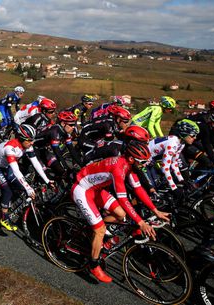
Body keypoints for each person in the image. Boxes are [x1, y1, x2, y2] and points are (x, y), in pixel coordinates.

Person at [72, 141, 170, 283]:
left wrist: (156, 211)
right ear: (131, 159)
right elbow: (124, 200)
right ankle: (93, 264)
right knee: (100, 230)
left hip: (96, 190)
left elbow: (138, 189)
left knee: (121, 215)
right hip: (82, 190)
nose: (144, 165)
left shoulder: (129, 165)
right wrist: (141, 222)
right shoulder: (119, 168)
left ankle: (94, 230)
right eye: (142, 162)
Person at [0, 124, 54, 231]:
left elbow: (36, 163)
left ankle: (8, 203)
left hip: (7, 163)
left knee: (16, 184)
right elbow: (16, 170)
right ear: (22, 138)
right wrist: (28, 188)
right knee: (7, 189)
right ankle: (3, 218)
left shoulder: (27, 145)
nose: (32, 143)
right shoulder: (10, 148)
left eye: (33, 140)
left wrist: (47, 180)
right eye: (29, 140)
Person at [148, 119, 199, 200]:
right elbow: (164, 168)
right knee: (151, 188)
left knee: (159, 184)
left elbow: (174, 163)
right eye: (193, 135)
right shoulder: (172, 144)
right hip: (144, 160)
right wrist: (174, 188)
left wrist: (182, 180)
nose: (195, 138)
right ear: (184, 134)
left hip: (151, 160)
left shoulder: (181, 143)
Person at [32, 111, 83, 178]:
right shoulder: (54, 131)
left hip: (43, 149)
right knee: (46, 175)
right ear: (63, 123)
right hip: (34, 149)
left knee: (60, 170)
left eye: (74, 125)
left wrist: (83, 165)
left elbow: (72, 150)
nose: (73, 127)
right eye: (71, 125)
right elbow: (57, 153)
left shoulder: (65, 132)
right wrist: (66, 168)